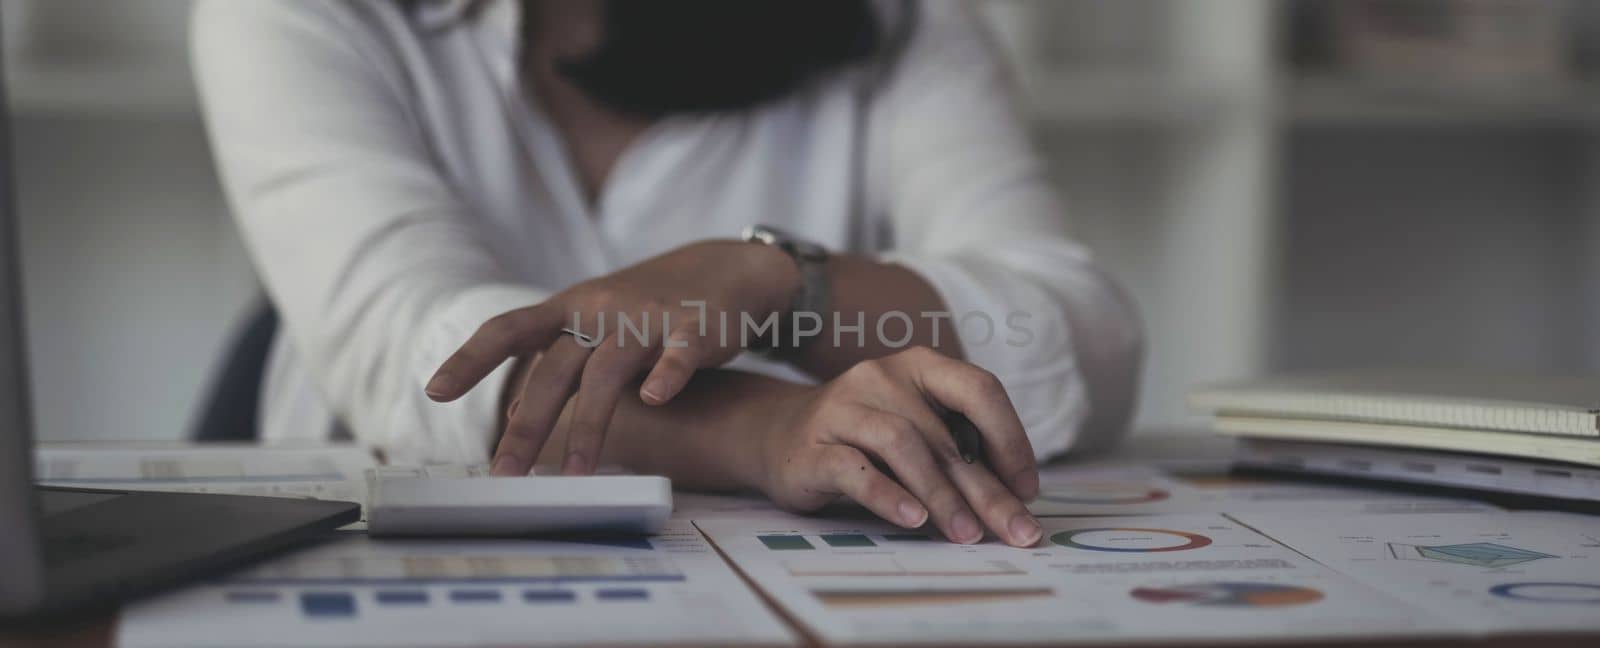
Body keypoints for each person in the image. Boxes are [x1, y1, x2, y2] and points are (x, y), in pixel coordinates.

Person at [191, 0, 1143, 548]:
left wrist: (779, 286)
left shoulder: (904, 25)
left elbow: (1084, 336)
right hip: (382, 545)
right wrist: (770, 426)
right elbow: (421, 349)